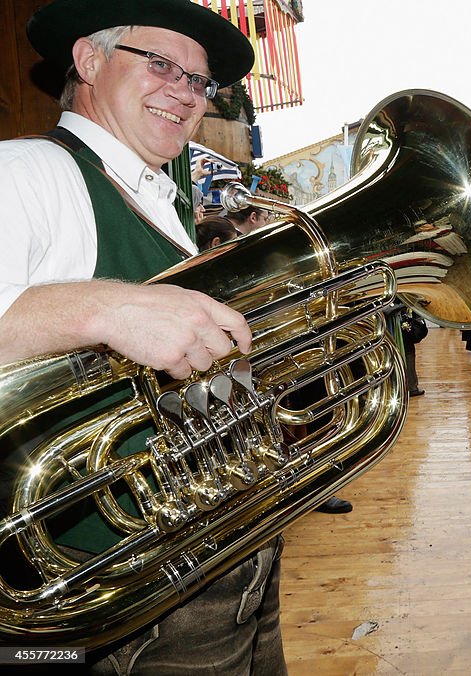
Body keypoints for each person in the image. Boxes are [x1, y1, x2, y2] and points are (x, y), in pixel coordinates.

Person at [0, 1, 291, 672]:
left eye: (199, 82)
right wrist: (104, 310)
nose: (186, 93)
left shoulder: (159, 195)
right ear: (90, 59)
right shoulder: (28, 173)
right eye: (162, 65)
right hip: (121, 583)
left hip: (223, 553)